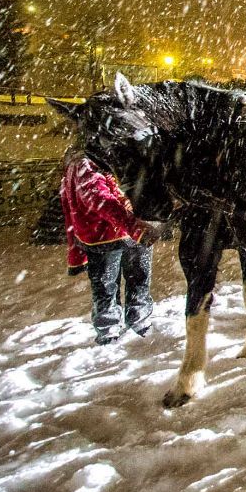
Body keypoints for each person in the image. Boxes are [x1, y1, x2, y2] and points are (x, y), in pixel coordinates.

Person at [60, 145, 155, 345]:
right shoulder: (84, 162)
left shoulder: (124, 152)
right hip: (105, 238)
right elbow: (98, 198)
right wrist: (133, 224)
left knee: (139, 280)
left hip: (135, 231)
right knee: (105, 286)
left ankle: (140, 323)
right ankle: (108, 333)